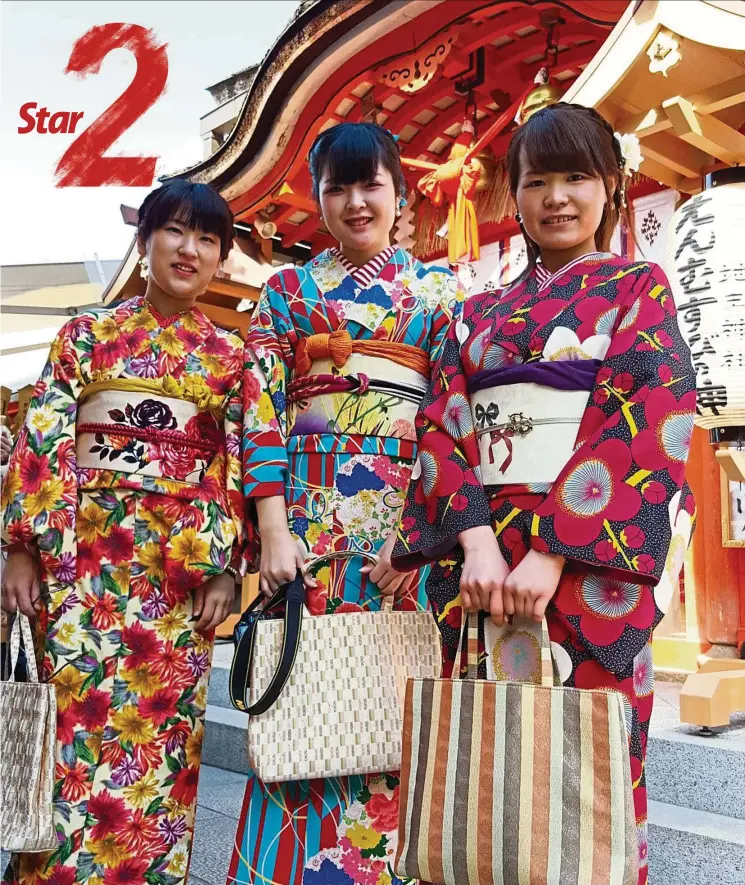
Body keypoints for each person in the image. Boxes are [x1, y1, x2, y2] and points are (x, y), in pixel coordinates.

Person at [392, 103, 695, 885]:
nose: (555, 197)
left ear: (611, 188)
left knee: (587, 771)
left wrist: (556, 553)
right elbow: (442, 425)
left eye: (576, 177)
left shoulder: (637, 287)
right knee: (489, 762)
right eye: (536, 181)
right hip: (488, 575)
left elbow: (644, 416)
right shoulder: (474, 313)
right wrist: (477, 542)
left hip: (589, 578)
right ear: (513, 196)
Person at [229, 122, 464, 885]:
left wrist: (429, 541)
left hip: (404, 536)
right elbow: (260, 405)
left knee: (396, 715)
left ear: (399, 194)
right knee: (306, 708)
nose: (356, 202)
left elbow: (450, 421)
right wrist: (271, 526)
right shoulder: (287, 292)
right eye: (339, 187)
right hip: (310, 527)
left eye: (372, 185)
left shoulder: (438, 292)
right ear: (318, 198)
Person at [1, 180, 250, 885]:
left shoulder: (229, 359)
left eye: (207, 239)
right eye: (174, 231)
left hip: (176, 590)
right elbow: (45, 437)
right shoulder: (86, 335)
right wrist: (23, 546)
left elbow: (234, 464)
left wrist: (228, 566)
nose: (188, 249)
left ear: (222, 259)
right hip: (82, 570)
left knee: (159, 768)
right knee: (65, 753)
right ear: (144, 243)